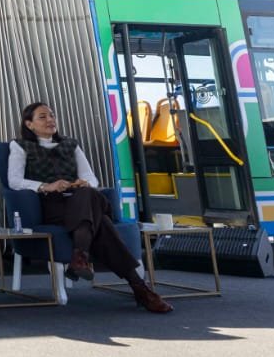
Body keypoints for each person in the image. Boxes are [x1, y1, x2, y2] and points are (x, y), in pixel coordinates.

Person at [9, 102, 171, 313]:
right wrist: (46, 186)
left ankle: (80, 257)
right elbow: (14, 181)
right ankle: (139, 288)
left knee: (87, 192)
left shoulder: (71, 144)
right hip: (53, 205)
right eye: (42, 117)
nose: (50, 120)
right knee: (102, 223)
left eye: (52, 115)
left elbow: (91, 177)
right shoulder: (20, 146)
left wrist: (84, 183)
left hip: (80, 199)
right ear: (29, 124)